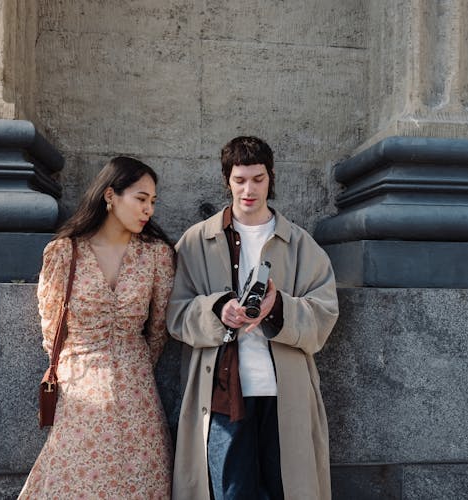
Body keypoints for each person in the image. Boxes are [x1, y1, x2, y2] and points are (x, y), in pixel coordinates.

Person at [166, 136, 339, 499]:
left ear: (271, 177)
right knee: (231, 493)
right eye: (239, 179)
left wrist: (278, 308)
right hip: (223, 394)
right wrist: (217, 309)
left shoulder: (302, 244)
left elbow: (324, 316)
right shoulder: (196, 242)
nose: (249, 189)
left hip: (286, 394)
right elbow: (175, 312)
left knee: (286, 491)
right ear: (227, 180)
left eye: (258, 179)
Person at [18, 156, 174, 499]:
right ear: (110, 195)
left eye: (152, 201)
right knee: (76, 481)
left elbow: (159, 328)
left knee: (141, 480)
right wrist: (82, 367)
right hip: (80, 389)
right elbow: (51, 328)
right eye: (141, 198)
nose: (148, 209)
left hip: (137, 390)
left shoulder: (156, 255)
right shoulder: (64, 252)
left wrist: (133, 364)